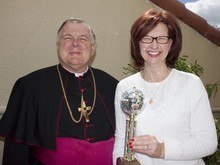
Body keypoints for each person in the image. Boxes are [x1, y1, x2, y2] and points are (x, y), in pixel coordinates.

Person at [0, 18, 118, 164]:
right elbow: (16, 150)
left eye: (83, 39)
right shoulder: (30, 86)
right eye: (67, 38)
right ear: (58, 45)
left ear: (93, 48)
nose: (75, 44)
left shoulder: (112, 85)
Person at [113, 9, 217, 165]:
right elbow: (122, 138)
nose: (154, 45)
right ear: (137, 43)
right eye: (146, 38)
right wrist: (121, 161)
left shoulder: (191, 84)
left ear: (171, 43)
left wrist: (162, 150)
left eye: (161, 38)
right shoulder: (125, 87)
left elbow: (208, 143)